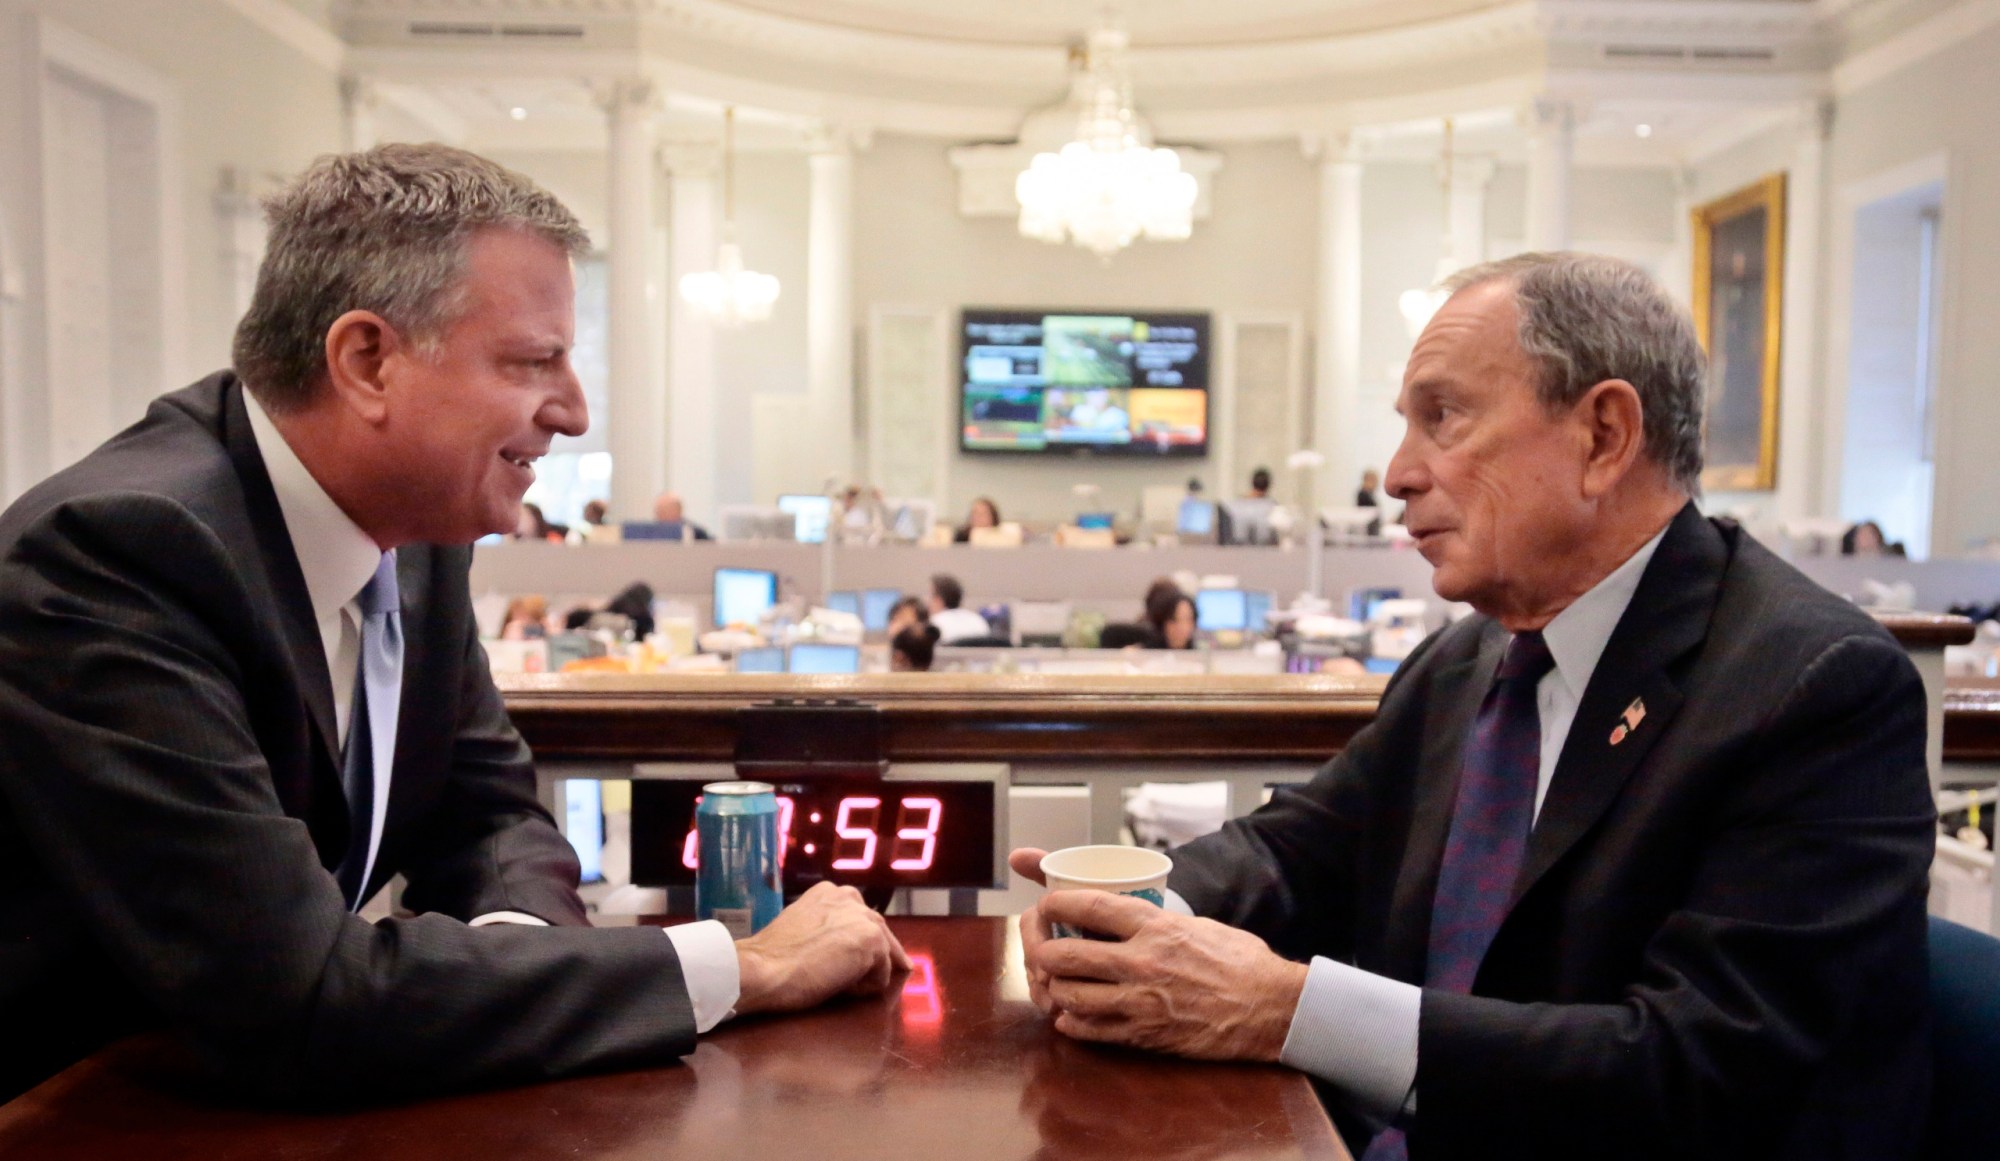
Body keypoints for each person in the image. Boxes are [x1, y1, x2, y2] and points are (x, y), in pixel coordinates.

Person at [0, 143, 906, 1106]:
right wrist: (741, 967)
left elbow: (487, 812)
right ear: (366, 361)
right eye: (533, 361)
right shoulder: (113, 556)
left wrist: (508, 965)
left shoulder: (417, 524)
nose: (575, 412)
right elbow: (297, 998)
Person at [1011, 253, 1932, 1160]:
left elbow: (1696, 1069)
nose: (1397, 475)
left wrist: (1286, 1010)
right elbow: (1296, 848)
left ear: (1605, 436)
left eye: (1442, 418)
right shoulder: (1474, 654)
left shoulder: (1818, 686)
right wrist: (1135, 912)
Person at [927, 573, 991, 643]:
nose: (928, 602)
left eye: (931, 597)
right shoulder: (978, 621)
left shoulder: (934, 625)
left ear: (938, 600)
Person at [1141, 584, 1196, 650]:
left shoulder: (1200, 653)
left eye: (1188, 619)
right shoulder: (1145, 652)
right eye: (1174, 620)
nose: (1182, 627)